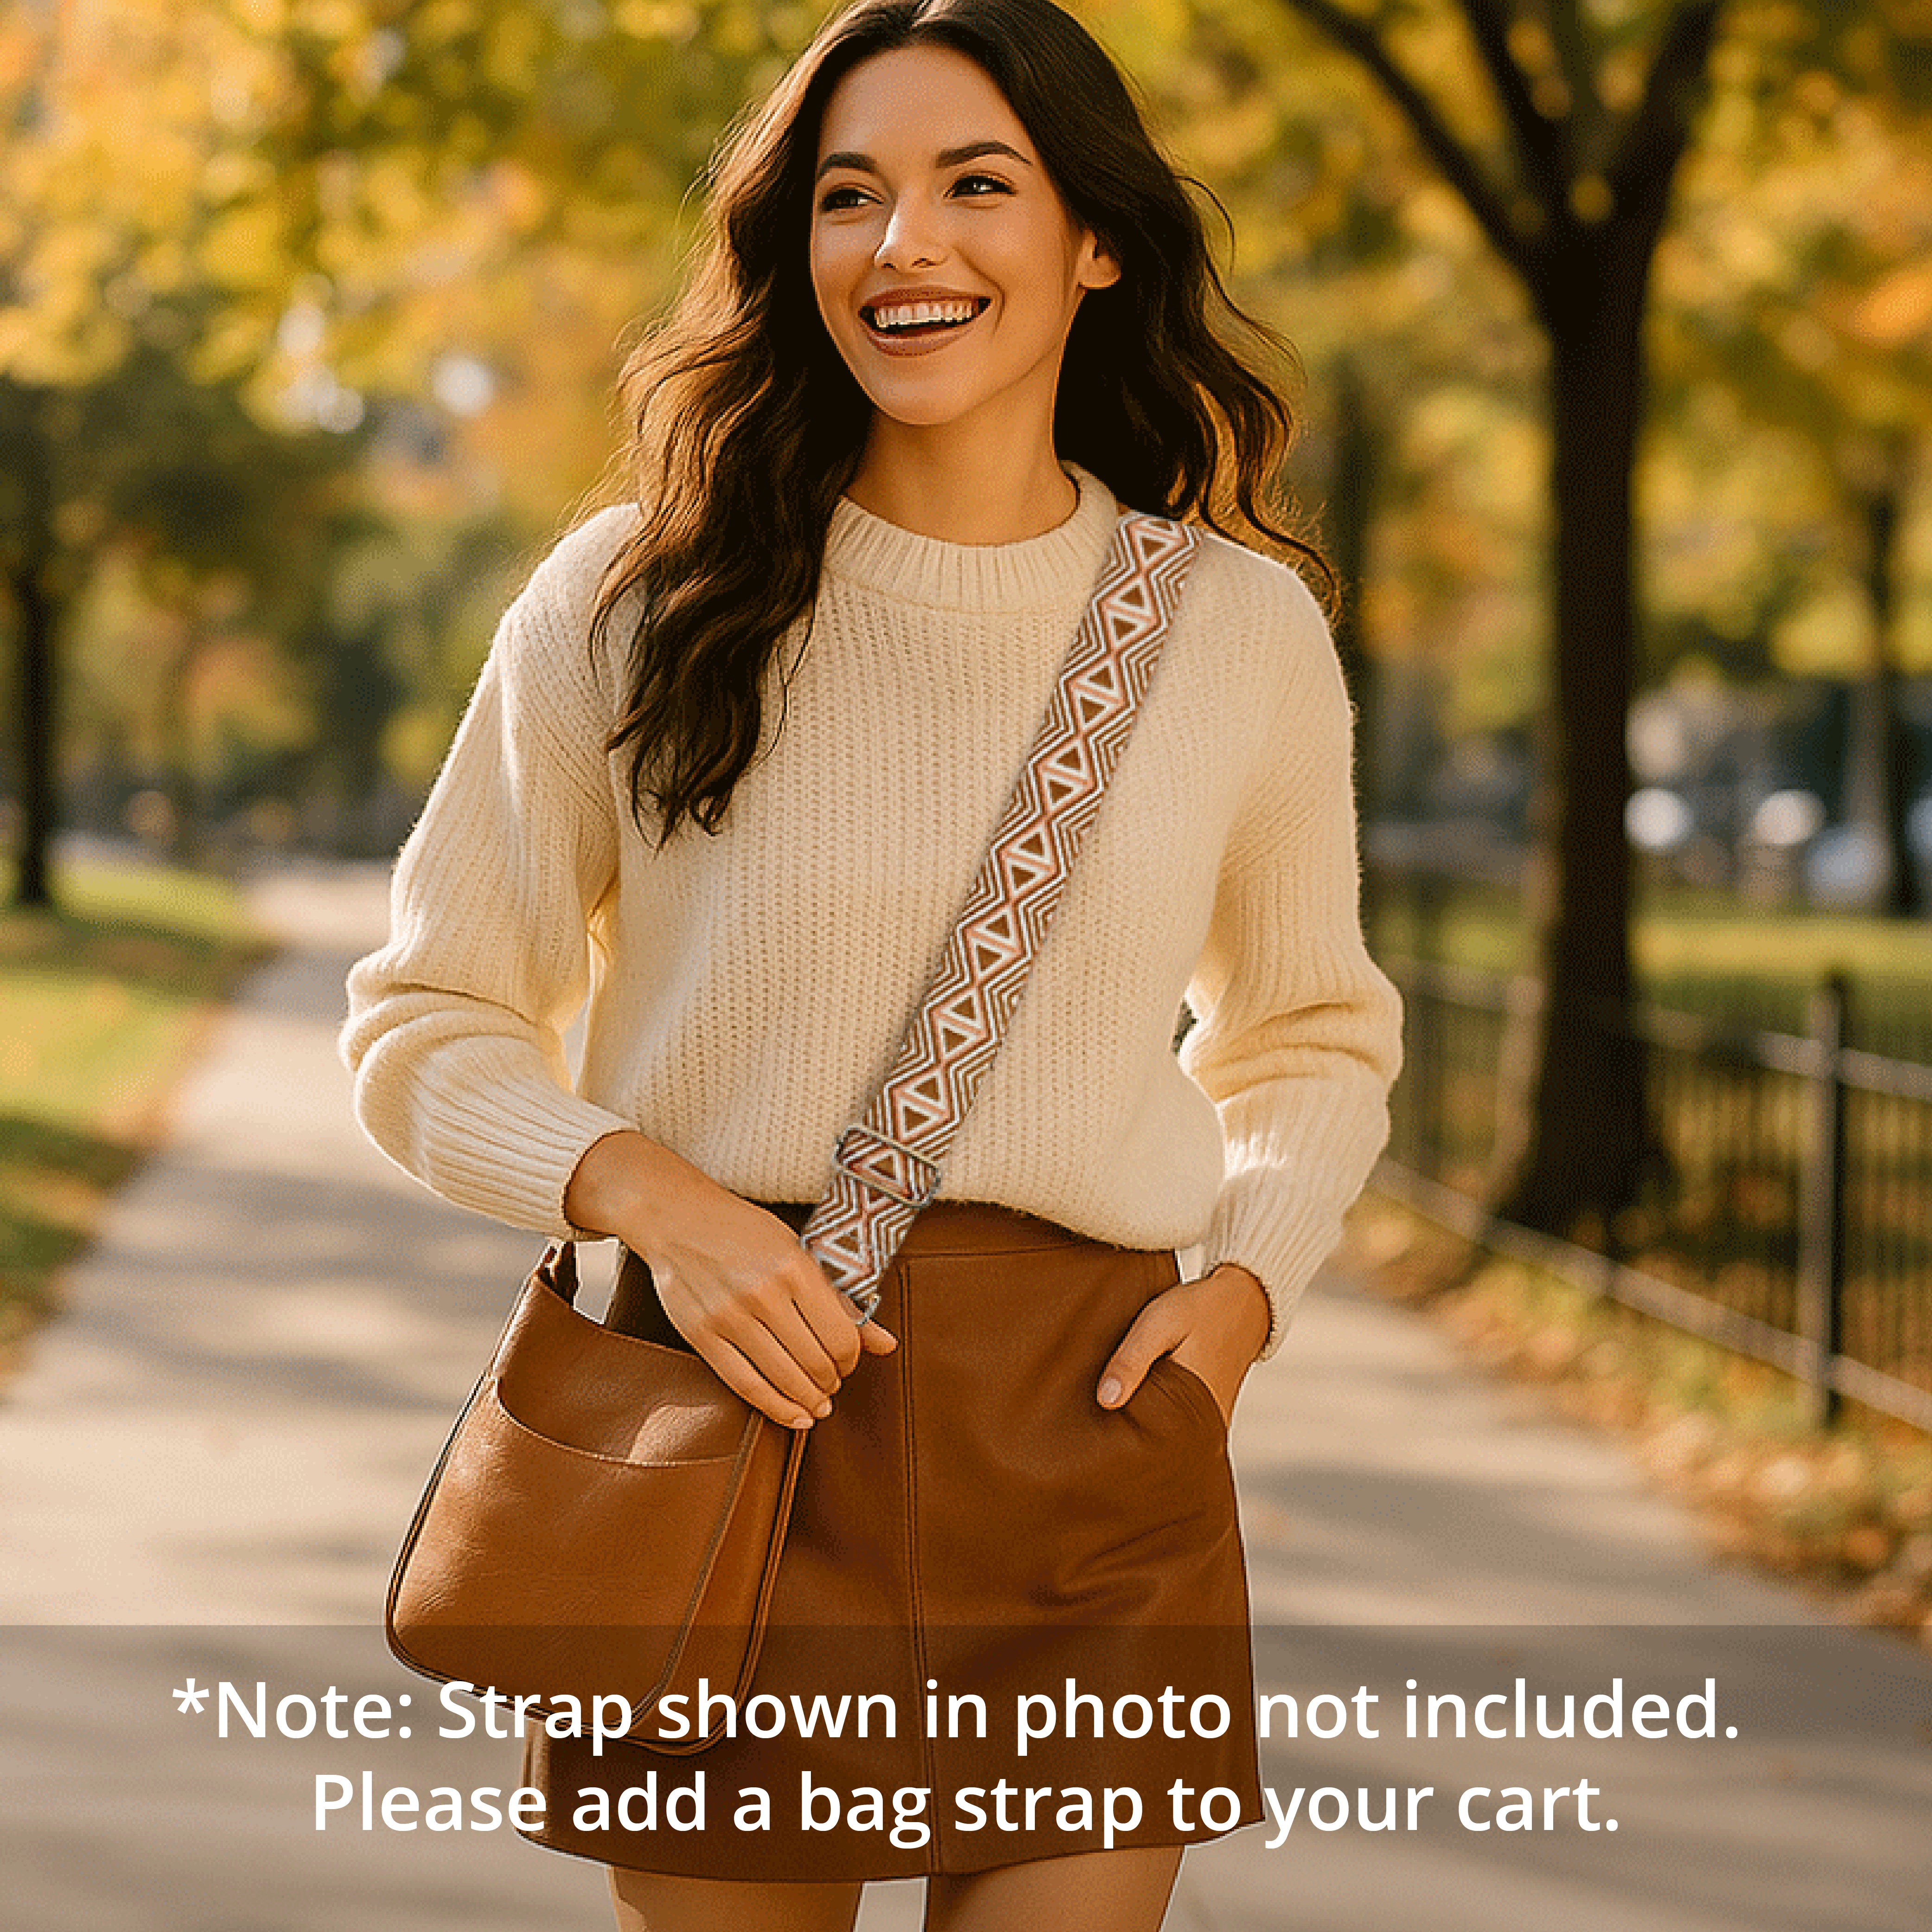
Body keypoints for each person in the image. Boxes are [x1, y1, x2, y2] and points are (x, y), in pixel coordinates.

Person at [341, 0, 1403, 1926]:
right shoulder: (632, 595)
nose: (902, 245)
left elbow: (1313, 1031)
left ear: (1095, 238)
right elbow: (424, 1019)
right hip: (725, 1428)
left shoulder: (1237, 633)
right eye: (849, 197)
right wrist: (647, 1196)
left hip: (1082, 1443)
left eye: (972, 185)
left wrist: (1247, 1286)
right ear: (796, 250)